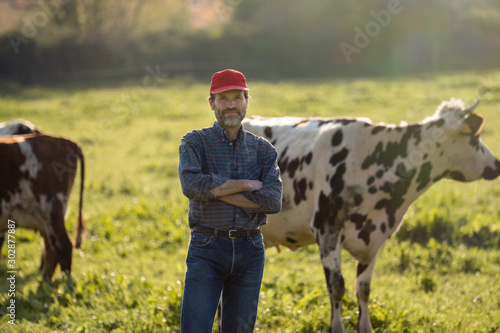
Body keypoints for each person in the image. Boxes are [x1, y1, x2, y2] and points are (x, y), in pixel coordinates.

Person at [178, 69, 283, 332]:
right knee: (195, 328)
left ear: (247, 101)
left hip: (251, 249)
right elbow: (191, 185)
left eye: (237, 97)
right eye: (223, 98)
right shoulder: (194, 142)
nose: (231, 105)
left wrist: (216, 189)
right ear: (211, 103)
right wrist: (248, 185)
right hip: (207, 247)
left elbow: (273, 201)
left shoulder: (263, 150)